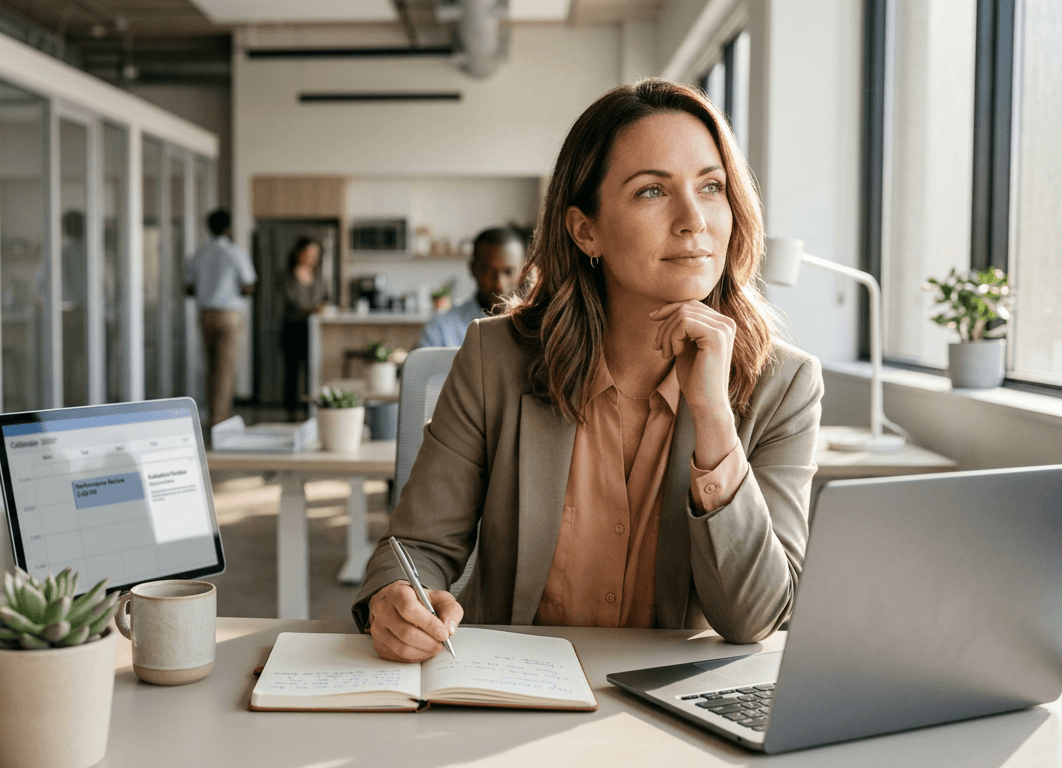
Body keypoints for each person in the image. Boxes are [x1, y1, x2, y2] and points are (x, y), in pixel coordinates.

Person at [353, 78, 823, 662]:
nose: (693, 219)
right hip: (508, 690)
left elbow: (757, 619)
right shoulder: (494, 359)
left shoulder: (784, 385)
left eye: (711, 186)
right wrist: (397, 597)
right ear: (585, 230)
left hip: (670, 718)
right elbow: (415, 547)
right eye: (653, 191)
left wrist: (713, 420)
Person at [187, 209, 256, 426]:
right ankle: (219, 419)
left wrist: (209, 289)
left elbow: (189, 289)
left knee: (211, 367)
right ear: (228, 228)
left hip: (206, 314)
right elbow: (248, 285)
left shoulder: (199, 253)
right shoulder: (236, 253)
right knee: (225, 368)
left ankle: (213, 414)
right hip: (228, 315)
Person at [416, 228, 526, 348]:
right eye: (489, 272)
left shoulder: (536, 328)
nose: (499, 284)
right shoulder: (439, 329)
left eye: (509, 272)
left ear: (523, 271)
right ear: (473, 268)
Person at [281, 237, 331, 420]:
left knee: (312, 371)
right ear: (298, 253)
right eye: (309, 253)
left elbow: (326, 297)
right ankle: (291, 412)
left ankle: (310, 411)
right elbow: (294, 303)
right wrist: (314, 308)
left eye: (315, 254)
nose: (312, 258)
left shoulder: (319, 276)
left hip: (314, 330)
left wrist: (323, 306)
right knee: (292, 372)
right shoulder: (288, 276)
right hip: (293, 329)